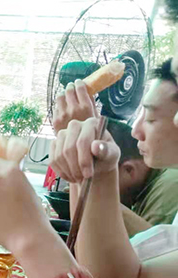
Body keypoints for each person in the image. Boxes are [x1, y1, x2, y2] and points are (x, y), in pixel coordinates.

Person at [53, 89, 178, 237]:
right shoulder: (146, 184)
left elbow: (148, 248)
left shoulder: (170, 186)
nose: (136, 131)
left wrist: (92, 182)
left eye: (150, 119)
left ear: (129, 170)